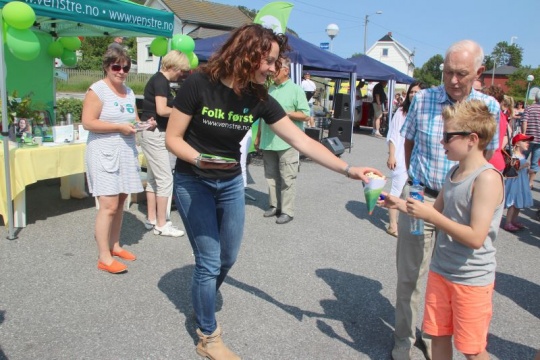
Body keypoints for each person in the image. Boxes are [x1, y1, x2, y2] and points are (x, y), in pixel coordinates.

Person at [164, 24, 383, 359]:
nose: (273, 68)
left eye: (275, 61)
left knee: (227, 257)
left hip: (230, 182)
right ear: (246, 54)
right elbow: (173, 139)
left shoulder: (259, 97)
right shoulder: (199, 83)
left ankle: (202, 299)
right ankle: (208, 334)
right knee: (208, 261)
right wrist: (199, 159)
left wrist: (349, 170)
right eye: (268, 60)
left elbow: (301, 140)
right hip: (193, 180)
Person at [394, 39, 500, 360]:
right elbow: (408, 142)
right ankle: (404, 340)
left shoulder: (488, 107)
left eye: (462, 74)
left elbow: (487, 156)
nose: (454, 80)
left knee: (453, 276)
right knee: (411, 273)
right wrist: (413, 183)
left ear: (479, 72)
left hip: (462, 203)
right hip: (421, 193)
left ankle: (435, 335)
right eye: (448, 72)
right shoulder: (423, 99)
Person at [82, 47, 156, 274]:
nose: (121, 71)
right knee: (108, 205)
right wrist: (117, 126)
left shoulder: (129, 92)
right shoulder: (98, 90)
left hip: (125, 152)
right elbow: (88, 122)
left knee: (121, 200)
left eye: (125, 67)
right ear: (106, 67)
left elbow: (131, 121)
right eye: (116, 66)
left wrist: (145, 124)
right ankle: (103, 256)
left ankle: (114, 245)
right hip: (104, 152)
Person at [139, 50, 190, 237]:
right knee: (165, 179)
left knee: (153, 179)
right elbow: (161, 110)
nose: (181, 74)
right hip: (155, 134)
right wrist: (183, 110)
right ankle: (162, 224)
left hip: (150, 133)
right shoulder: (161, 81)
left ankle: (152, 218)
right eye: (181, 70)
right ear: (174, 66)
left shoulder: (158, 80)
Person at [255, 57, 311, 225]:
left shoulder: (296, 90)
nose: (272, 71)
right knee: (270, 176)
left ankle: (287, 211)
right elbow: (262, 116)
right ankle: (274, 206)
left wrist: (285, 113)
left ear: (286, 71)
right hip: (268, 140)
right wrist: (258, 136)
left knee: (287, 177)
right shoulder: (268, 88)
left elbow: (305, 114)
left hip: (288, 142)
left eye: (276, 68)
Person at [385, 81, 426, 237]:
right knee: (396, 189)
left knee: (415, 191)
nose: (414, 95)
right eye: (412, 92)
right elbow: (393, 135)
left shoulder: (424, 113)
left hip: (418, 159)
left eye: (417, 92)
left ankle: (413, 225)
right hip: (401, 157)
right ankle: (392, 225)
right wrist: (391, 155)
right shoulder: (401, 112)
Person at [503, 133, 534, 232]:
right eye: (524, 141)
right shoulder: (513, 155)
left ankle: (514, 220)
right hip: (515, 182)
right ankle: (508, 222)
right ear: (517, 144)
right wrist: (523, 166)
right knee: (513, 202)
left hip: (522, 181)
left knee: (519, 201)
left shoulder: (522, 155)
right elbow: (510, 170)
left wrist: (527, 170)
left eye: (528, 141)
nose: (527, 143)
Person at [481, 86, 508, 172]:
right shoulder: (502, 115)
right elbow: (507, 134)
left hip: (487, 161)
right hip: (498, 159)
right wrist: (499, 147)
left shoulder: (490, 116)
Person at [521, 92, 540, 189]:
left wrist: (524, 134)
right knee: (535, 162)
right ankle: (530, 183)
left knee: (522, 159)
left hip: (529, 138)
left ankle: (521, 180)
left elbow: (525, 121)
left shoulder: (529, 107)